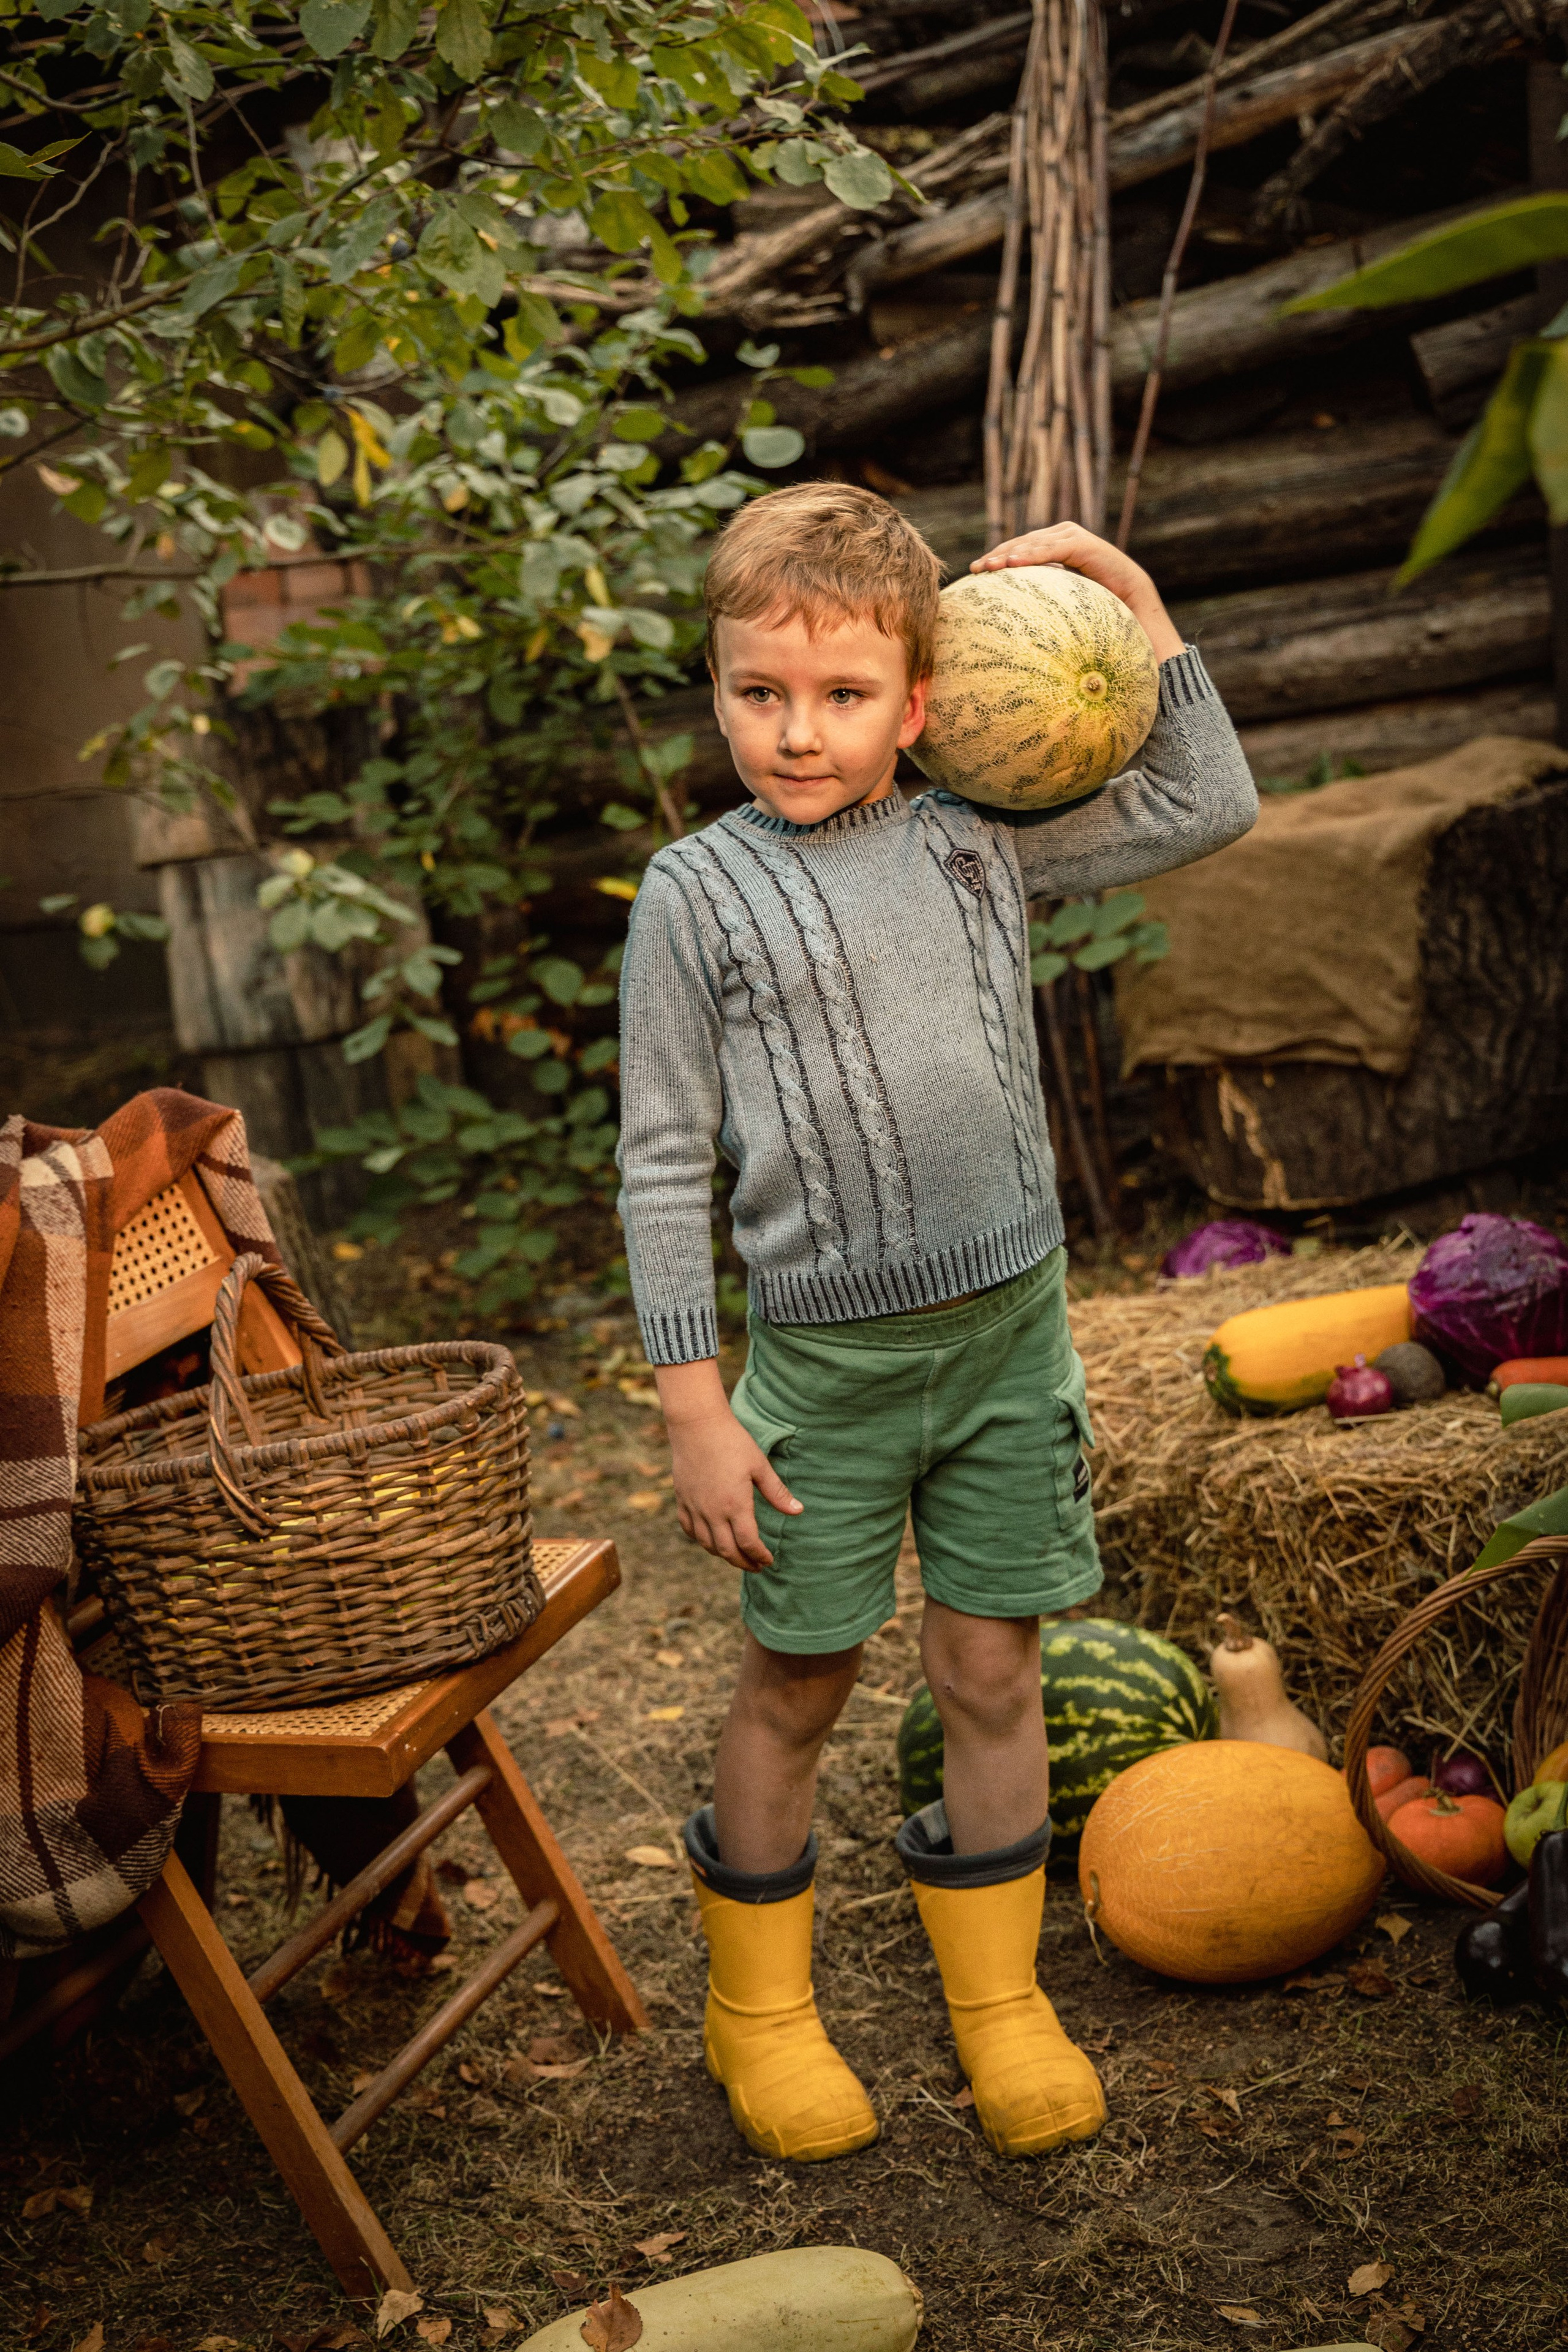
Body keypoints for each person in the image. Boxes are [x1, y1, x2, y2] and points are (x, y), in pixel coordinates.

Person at [615, 483, 1257, 2165]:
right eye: (760, 692)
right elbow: (663, 1154)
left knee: (991, 1668)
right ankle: (760, 2013)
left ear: (918, 704)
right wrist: (694, 1403)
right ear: (716, 690)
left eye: (842, 695)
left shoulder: (981, 840)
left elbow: (1207, 796)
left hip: (1006, 1347)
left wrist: (1121, 585)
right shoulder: (695, 894)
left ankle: (1002, 2001)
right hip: (822, 1373)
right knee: (800, 1681)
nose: (796, 732)